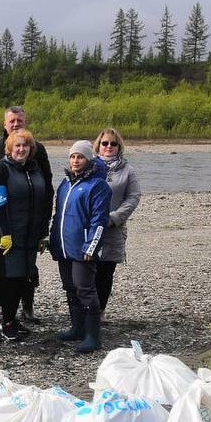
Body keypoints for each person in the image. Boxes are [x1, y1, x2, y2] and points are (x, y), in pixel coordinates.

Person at [0, 105, 52, 324]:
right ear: (4, 124)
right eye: (12, 121)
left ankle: (27, 309)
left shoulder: (38, 150)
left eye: (20, 121)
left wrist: (44, 226)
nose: (16, 124)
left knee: (27, 267)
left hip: (29, 223)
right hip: (0, 222)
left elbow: (46, 188)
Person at [49, 140, 111, 353]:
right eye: (73, 157)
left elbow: (99, 220)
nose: (75, 161)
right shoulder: (65, 184)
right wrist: (53, 240)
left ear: (89, 159)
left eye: (80, 157)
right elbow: (58, 215)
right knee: (70, 288)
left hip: (83, 249)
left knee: (85, 289)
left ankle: (93, 335)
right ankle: (77, 328)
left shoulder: (98, 186)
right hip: (64, 247)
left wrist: (91, 247)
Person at [92, 128, 142, 318]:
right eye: (105, 143)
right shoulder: (89, 166)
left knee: (105, 272)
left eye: (113, 143)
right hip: (89, 227)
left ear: (119, 147)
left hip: (113, 229)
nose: (109, 146)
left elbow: (133, 196)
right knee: (86, 271)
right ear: (98, 145)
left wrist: (115, 217)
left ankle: (100, 311)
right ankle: (85, 311)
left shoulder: (128, 170)